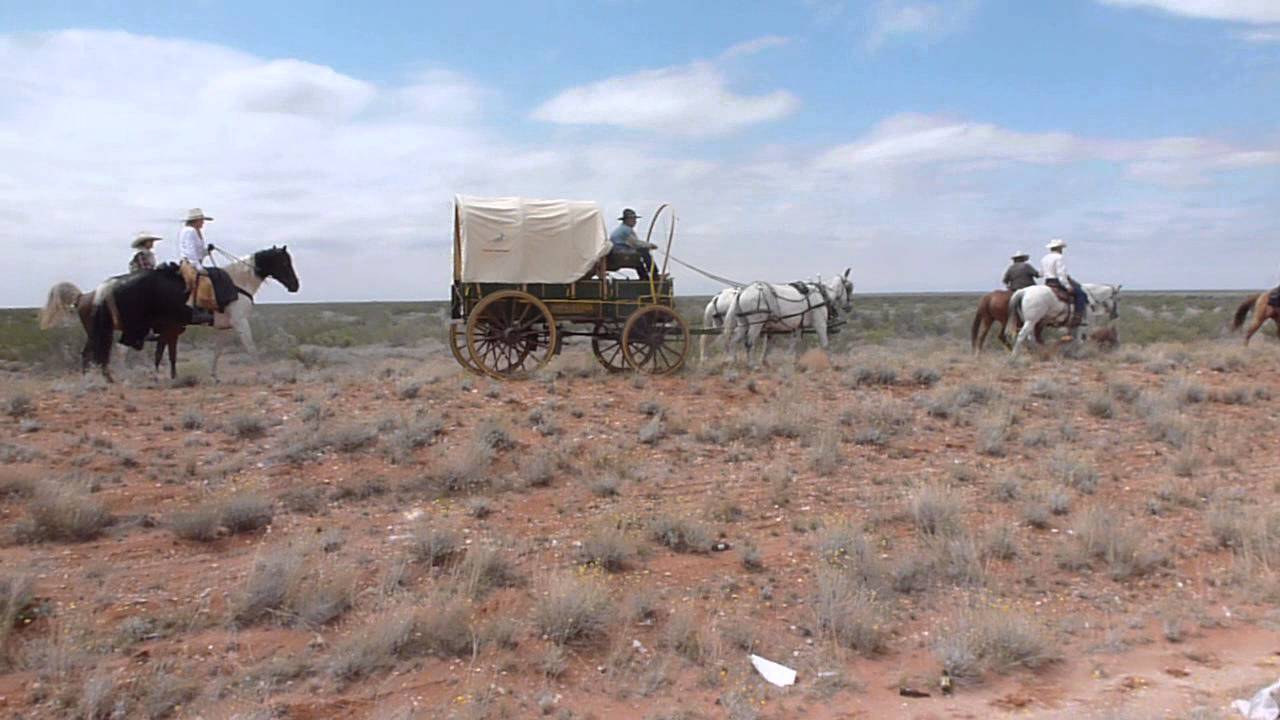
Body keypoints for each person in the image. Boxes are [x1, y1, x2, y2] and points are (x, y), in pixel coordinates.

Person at [1041, 238, 1087, 327]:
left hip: (1047, 281)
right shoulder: (1059, 257)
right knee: (1080, 294)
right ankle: (1078, 317)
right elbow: (1061, 274)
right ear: (1059, 248)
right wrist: (1067, 286)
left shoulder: (1044, 258)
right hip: (1056, 281)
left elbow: (1042, 273)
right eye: (1061, 248)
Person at [609, 208, 656, 279]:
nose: (635, 221)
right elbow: (635, 244)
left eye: (635, 219)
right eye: (632, 219)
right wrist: (650, 245)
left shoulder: (622, 229)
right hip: (620, 253)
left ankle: (645, 277)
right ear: (627, 220)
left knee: (638, 262)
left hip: (616, 253)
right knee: (644, 251)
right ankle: (655, 274)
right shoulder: (626, 230)